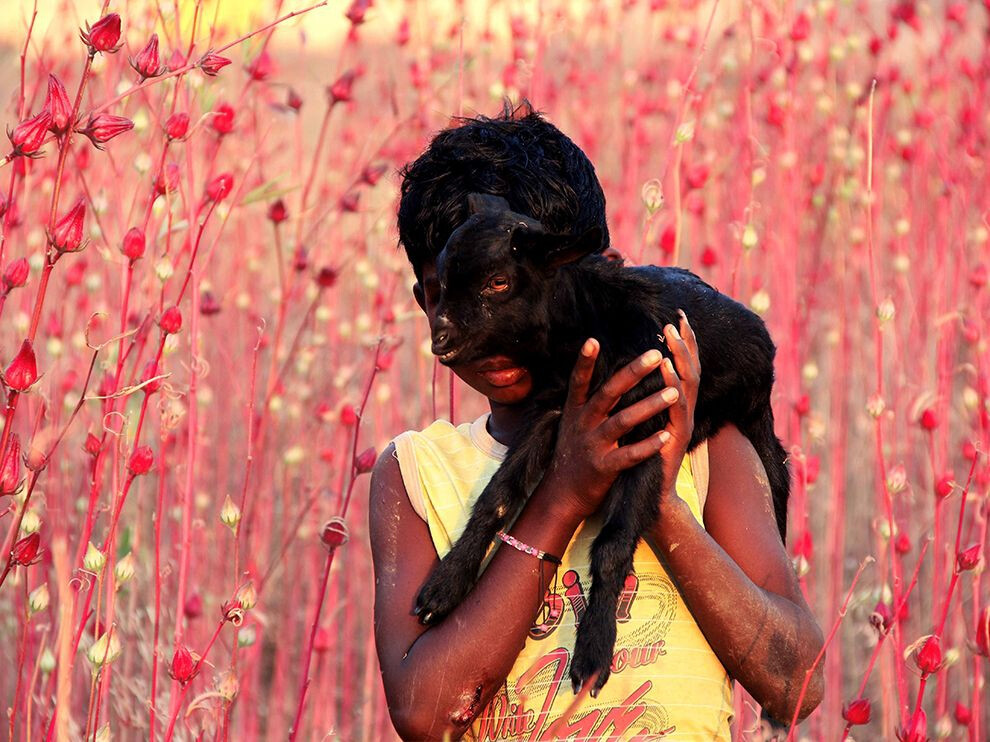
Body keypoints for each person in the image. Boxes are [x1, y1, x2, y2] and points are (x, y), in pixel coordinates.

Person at [370, 102, 824, 741]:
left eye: (509, 292)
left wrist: (657, 495)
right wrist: (562, 495)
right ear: (429, 301)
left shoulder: (703, 449)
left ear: (582, 276)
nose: (486, 328)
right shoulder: (418, 475)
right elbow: (423, 712)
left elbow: (796, 681)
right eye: (451, 297)